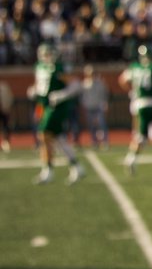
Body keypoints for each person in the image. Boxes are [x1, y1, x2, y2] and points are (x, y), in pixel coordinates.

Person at [31, 43, 86, 184]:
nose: (48, 57)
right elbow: (41, 85)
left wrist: (62, 94)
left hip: (57, 107)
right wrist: (34, 91)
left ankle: (48, 170)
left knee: (43, 134)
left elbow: (77, 85)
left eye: (50, 54)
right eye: (46, 54)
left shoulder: (58, 68)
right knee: (59, 138)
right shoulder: (39, 67)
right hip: (45, 106)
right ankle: (77, 166)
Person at [118, 45, 152, 177]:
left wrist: (133, 91)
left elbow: (122, 80)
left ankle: (132, 159)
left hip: (140, 104)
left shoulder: (134, 67)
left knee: (141, 136)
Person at [79, 65, 110, 149]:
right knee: (91, 125)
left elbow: (104, 94)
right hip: (89, 107)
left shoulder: (100, 83)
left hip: (99, 106)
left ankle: (105, 141)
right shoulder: (85, 84)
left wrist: (105, 103)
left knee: (102, 124)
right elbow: (83, 96)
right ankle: (94, 141)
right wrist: (84, 104)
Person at [0, 77, 13, 152]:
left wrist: (7, 106)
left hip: (5, 110)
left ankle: (6, 142)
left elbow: (10, 97)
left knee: (6, 127)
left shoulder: (4, 87)